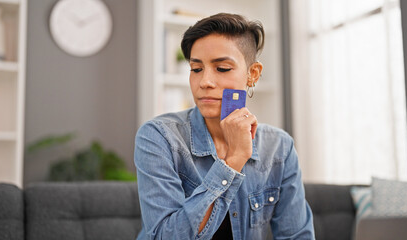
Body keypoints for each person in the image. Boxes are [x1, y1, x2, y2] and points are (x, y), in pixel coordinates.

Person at [134, 13, 315, 240]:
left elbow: (296, 236)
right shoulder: (159, 137)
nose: (205, 82)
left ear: (252, 74)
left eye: (222, 68)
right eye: (196, 69)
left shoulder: (279, 147)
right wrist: (232, 162)